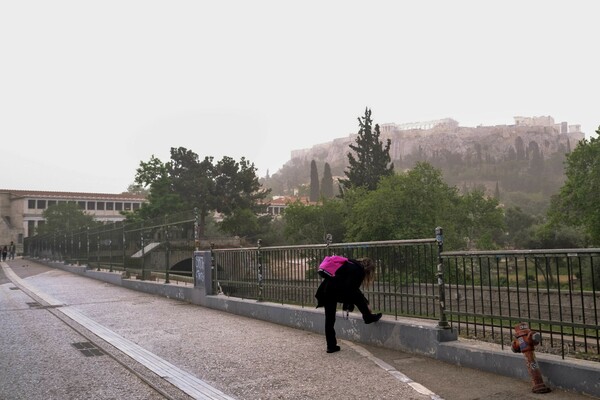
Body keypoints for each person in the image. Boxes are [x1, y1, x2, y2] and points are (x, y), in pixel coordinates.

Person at [315, 256, 382, 353]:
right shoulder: (358, 270)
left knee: (329, 319)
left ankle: (331, 346)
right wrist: (365, 303)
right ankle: (368, 317)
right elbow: (353, 289)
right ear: (368, 269)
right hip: (337, 291)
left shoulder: (349, 263)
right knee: (358, 296)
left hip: (327, 290)